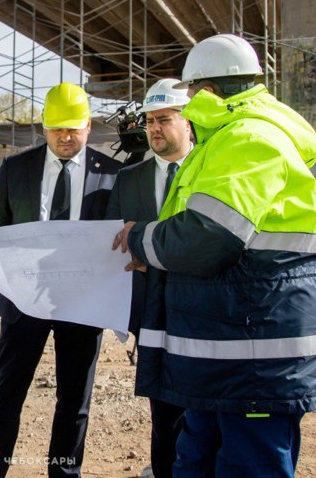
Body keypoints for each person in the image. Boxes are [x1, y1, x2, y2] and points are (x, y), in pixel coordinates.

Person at [114, 34, 316, 478]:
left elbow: (204, 240)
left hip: (254, 358)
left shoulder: (248, 138)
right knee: (198, 457)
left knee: (249, 464)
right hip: (225, 349)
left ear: (206, 91)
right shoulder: (225, 139)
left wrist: (140, 239)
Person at [0, 82, 123, 477]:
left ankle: (64, 474)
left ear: (89, 125)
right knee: (6, 395)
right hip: (24, 301)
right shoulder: (15, 168)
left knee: (75, 400)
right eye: (57, 128)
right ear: (43, 126)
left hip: (83, 304)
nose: (65, 136)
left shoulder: (113, 175)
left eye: (73, 128)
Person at [105, 78, 193, 478]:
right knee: (163, 409)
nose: (154, 128)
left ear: (188, 121)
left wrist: (154, 249)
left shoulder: (210, 170)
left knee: (204, 410)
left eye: (165, 119)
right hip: (152, 312)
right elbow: (115, 240)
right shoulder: (129, 179)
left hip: (202, 307)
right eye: (149, 120)